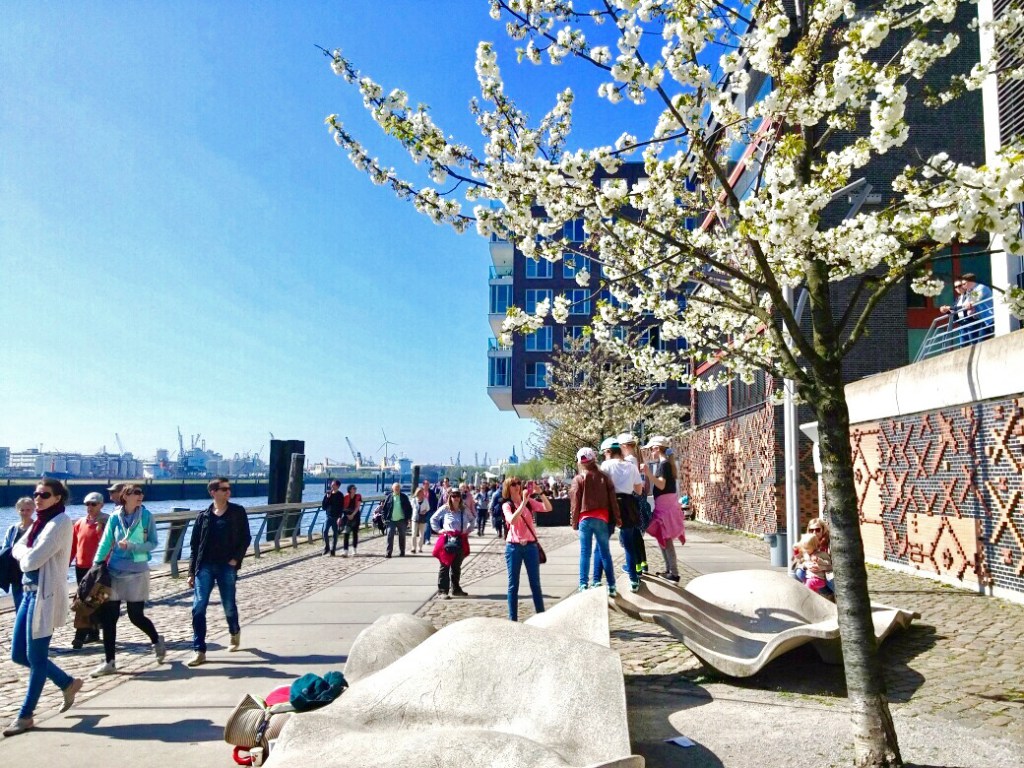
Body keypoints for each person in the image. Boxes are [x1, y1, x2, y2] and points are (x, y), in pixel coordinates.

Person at [5, 479, 84, 737]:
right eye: (36, 494)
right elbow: (19, 548)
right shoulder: (39, 522)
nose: (38, 498)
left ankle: (25, 715)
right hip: (27, 593)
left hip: (44, 595)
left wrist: (23, 553)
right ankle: (66, 682)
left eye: (44, 495)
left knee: (37, 657)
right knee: (19, 654)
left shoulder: (60, 522)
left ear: (57, 498)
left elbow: (30, 561)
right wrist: (24, 552)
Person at [90, 483, 165, 677]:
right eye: (136, 493)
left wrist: (133, 546)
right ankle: (110, 662)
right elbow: (106, 541)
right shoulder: (115, 517)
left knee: (135, 616)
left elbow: (153, 543)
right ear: (125, 496)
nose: (140, 496)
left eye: (141, 493)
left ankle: (156, 639)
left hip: (137, 572)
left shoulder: (146, 516)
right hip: (114, 571)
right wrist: (96, 564)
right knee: (109, 618)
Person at [186, 477, 252, 668]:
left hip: (226, 566)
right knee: (198, 607)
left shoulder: (237, 512)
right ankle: (199, 650)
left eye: (229, 489)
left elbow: (246, 538)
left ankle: (234, 631)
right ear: (213, 492)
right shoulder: (203, 516)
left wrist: (235, 560)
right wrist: (191, 572)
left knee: (229, 605)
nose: (228, 491)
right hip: (204, 566)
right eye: (224, 489)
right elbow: (194, 546)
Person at [569, 447, 621, 596]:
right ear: (594, 459)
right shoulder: (604, 477)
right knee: (605, 553)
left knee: (585, 553)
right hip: (602, 517)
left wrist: (574, 522)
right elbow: (613, 500)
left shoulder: (579, 479)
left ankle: (583, 584)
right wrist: (617, 518)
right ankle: (611, 586)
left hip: (585, 518)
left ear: (580, 462)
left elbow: (575, 503)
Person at [502, 476, 551, 621]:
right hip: (513, 547)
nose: (517, 486)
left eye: (518, 483)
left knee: (535, 583)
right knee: (513, 585)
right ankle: (513, 619)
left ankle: (541, 616)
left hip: (530, 546)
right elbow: (512, 520)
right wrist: (523, 502)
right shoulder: (507, 505)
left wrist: (540, 493)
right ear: (508, 488)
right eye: (513, 484)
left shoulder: (529, 502)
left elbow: (548, 508)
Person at [600, 438, 644, 593]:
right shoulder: (631, 466)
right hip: (628, 504)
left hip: (610, 503)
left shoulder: (606, 466)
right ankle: (633, 580)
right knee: (629, 544)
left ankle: (607, 583)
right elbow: (639, 490)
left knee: (603, 544)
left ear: (608, 452)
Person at [643, 436, 686, 583]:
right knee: (662, 537)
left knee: (665, 538)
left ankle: (673, 573)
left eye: (651, 449)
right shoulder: (666, 464)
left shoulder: (664, 465)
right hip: (666, 504)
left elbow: (661, 485)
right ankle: (669, 570)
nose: (651, 452)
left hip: (665, 506)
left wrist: (648, 473)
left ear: (656, 448)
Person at [69, 492, 109, 648]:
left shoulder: (106, 521)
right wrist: (67, 562)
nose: (90, 507)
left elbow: (109, 545)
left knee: (93, 600)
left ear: (101, 505)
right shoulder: (80, 523)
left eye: (93, 504)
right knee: (83, 599)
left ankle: (80, 636)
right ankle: (92, 633)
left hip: (99, 568)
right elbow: (74, 545)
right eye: (87, 504)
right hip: (81, 567)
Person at [430, 489, 473, 599]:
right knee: (445, 565)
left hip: (460, 539)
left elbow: (472, 520)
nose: (456, 498)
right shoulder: (445, 508)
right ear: (450, 497)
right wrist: (439, 530)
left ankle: (456, 589)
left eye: (458, 495)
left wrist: (467, 530)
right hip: (447, 540)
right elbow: (433, 519)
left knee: (456, 566)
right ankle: (442, 591)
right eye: (453, 496)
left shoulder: (464, 509)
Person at [618, 432, 649, 575]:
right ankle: (643, 563)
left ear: (624, 446)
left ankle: (635, 566)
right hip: (639, 497)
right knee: (637, 534)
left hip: (631, 499)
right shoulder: (636, 459)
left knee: (631, 534)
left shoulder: (627, 461)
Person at [2, 498, 34, 612]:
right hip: (15, 572)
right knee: (18, 603)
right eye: (22, 510)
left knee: (30, 603)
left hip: (31, 571)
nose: (25, 513)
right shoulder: (12, 529)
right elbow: (6, 548)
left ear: (33, 510)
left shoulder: (37, 527)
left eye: (28, 510)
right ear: (17, 510)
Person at [379, 482, 412, 558]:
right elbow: (384, 509)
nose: (397, 489)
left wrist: (408, 518)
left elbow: (409, 508)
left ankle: (402, 551)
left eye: (398, 488)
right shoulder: (389, 497)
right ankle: (388, 552)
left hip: (402, 519)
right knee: (390, 535)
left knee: (402, 536)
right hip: (391, 520)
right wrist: (384, 519)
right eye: (395, 488)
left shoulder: (404, 497)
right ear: (392, 489)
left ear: (400, 489)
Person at [320, 480, 344, 556]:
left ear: (337, 486)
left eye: (333, 485)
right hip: (328, 516)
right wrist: (328, 498)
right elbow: (324, 507)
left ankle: (333, 550)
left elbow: (341, 507)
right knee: (325, 531)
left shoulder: (340, 495)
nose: (331, 486)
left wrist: (340, 517)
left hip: (336, 517)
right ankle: (327, 547)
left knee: (335, 534)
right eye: (331, 484)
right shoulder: (328, 494)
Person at [341, 484, 362, 557]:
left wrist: (352, 515)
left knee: (355, 533)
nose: (355, 489)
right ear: (350, 490)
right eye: (353, 488)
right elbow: (343, 507)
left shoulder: (358, 496)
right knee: (346, 533)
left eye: (355, 488)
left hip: (356, 516)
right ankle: (345, 551)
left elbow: (358, 507)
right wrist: (348, 515)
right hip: (347, 516)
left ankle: (354, 550)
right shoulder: (345, 497)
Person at [410, 487, 430, 554]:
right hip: (415, 518)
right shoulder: (413, 500)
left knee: (421, 534)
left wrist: (424, 511)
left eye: (422, 492)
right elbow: (411, 508)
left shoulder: (425, 500)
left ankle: (420, 547)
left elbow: (428, 508)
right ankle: (413, 548)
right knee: (414, 534)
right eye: (420, 492)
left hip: (422, 518)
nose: (421, 494)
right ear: (417, 493)